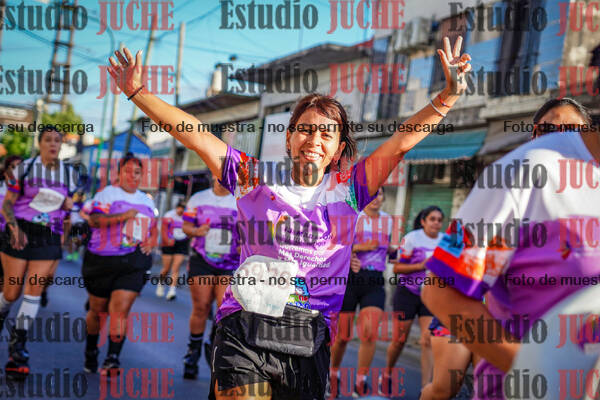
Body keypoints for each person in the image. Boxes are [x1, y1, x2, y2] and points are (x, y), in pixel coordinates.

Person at [107, 36, 471, 400]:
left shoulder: (351, 189)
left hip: (309, 338)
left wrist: (449, 95)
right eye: (306, 129)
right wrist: (138, 93)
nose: (314, 139)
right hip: (245, 326)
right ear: (289, 139)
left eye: (326, 133)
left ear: (337, 150)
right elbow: (197, 136)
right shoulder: (254, 179)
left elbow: (401, 142)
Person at [422, 99, 600, 399]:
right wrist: (539, 375)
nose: (559, 137)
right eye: (548, 130)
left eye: (570, 130)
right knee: (443, 387)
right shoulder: (519, 171)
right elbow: (440, 289)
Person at [0, 127, 75, 379]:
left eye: (57, 140)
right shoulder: (24, 169)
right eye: (48, 140)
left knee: (33, 292)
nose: (53, 144)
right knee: (11, 293)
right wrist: (14, 229)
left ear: (61, 145)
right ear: (40, 143)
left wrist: (68, 210)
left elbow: (67, 209)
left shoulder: (69, 174)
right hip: (20, 230)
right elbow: (7, 204)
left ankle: (17, 347)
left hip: (48, 235)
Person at [81, 152, 158, 376]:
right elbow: (94, 220)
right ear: (119, 173)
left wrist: (152, 240)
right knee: (97, 311)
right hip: (101, 260)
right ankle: (91, 350)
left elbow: (154, 228)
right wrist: (123, 216)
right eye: (128, 171)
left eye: (137, 172)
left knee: (120, 310)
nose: (133, 176)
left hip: (134, 261)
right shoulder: (107, 194)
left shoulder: (146, 200)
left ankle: (112, 358)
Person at [329, 188, 396, 397]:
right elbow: (335, 246)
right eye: (373, 194)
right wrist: (360, 248)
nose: (376, 198)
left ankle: (361, 380)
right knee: (343, 336)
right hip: (350, 280)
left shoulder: (389, 221)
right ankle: (332, 374)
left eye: (380, 194)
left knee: (369, 334)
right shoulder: (354, 216)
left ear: (384, 198)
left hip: (374, 281)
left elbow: (392, 251)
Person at [181, 175, 239, 379]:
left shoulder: (240, 200)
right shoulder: (198, 198)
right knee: (201, 306)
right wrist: (197, 231)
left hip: (230, 263)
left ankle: (214, 341)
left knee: (224, 309)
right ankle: (192, 354)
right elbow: (185, 227)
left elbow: (249, 232)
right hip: (202, 260)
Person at [381, 206, 444, 395]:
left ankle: (425, 389)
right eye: (432, 219)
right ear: (423, 221)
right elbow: (397, 268)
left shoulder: (445, 242)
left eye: (439, 220)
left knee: (428, 340)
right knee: (399, 341)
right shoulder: (411, 239)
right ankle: (387, 374)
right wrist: (421, 265)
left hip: (430, 295)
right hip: (407, 293)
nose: (436, 223)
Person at [0, 156, 24, 295]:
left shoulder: (26, 191)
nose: (16, 171)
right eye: (13, 167)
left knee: (7, 277)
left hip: (12, 235)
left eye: (19, 168)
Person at [157, 200, 189, 301]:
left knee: (175, 267)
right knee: (166, 268)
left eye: (183, 209)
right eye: (180, 208)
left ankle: (172, 291)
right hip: (169, 241)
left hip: (182, 243)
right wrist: (166, 240)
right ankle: (161, 283)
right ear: (177, 207)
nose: (181, 211)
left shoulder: (188, 217)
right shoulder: (169, 215)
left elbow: (191, 229)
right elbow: (163, 230)